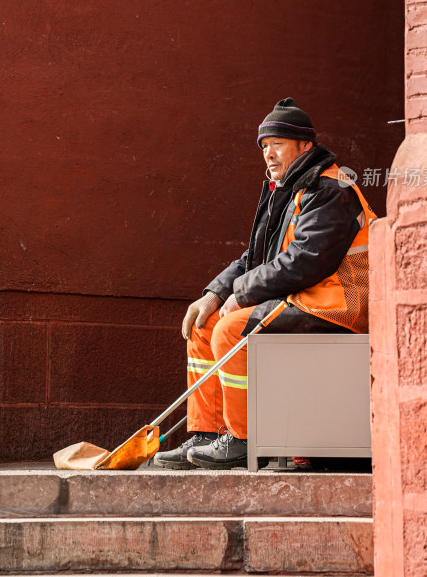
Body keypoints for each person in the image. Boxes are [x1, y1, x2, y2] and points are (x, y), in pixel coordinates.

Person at [154, 98, 376, 470]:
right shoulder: (290, 190)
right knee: (203, 327)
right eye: (264, 146)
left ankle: (240, 440)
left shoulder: (331, 189)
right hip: (303, 298)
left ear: (305, 145)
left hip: (334, 305)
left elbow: (306, 261)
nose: (268, 154)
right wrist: (216, 293)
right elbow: (257, 256)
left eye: (277, 144)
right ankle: (208, 435)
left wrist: (241, 295)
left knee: (230, 331)